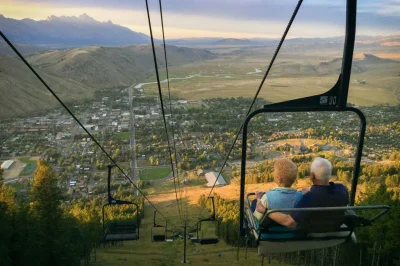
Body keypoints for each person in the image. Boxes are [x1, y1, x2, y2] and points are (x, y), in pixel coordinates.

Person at [269, 157, 349, 228]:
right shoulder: (342, 189)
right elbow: (326, 196)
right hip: (335, 229)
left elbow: (289, 222)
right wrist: (311, 191)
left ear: (312, 175)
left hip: (316, 234)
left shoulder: (310, 198)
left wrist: (266, 211)